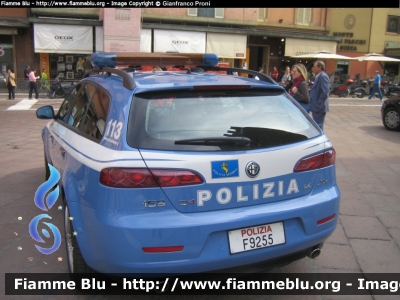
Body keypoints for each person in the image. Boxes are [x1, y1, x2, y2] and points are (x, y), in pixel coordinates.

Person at [309, 60, 330, 131]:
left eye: (314, 66)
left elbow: (325, 92)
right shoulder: (318, 76)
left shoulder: (323, 76)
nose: (313, 68)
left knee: (318, 127)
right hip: (316, 107)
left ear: (320, 67)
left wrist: (318, 103)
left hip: (319, 107)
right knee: (317, 126)